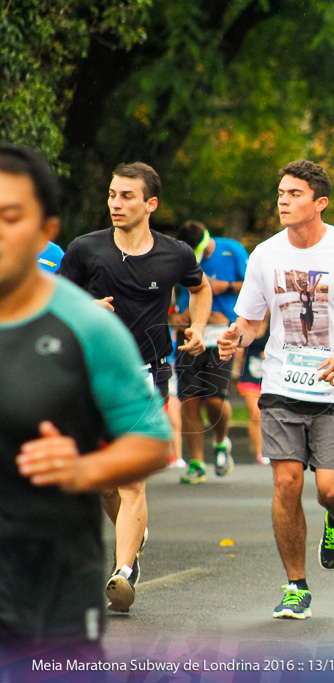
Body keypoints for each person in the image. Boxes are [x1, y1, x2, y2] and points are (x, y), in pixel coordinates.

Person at [0, 144, 170, 655]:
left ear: (46, 231)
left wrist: (83, 470)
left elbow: (152, 441)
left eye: (10, 216)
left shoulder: (88, 326)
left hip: (49, 585)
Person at [217, 160, 334, 619]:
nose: (283, 200)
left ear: (320, 203)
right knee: (286, 483)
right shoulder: (265, 255)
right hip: (281, 383)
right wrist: (235, 336)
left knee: (332, 490)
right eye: (280, 192)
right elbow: (253, 320)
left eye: (294, 193)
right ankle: (295, 585)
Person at [57, 162, 212, 613]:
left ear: (151, 204)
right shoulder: (85, 249)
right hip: (91, 375)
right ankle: (135, 532)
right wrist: (87, 307)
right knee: (106, 482)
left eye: (126, 196)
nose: (116, 203)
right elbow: (54, 301)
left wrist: (198, 327)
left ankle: (122, 572)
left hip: (148, 374)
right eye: (112, 194)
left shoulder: (175, 254)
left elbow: (198, 289)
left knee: (131, 481)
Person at [173, 220, 249, 483]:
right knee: (190, 401)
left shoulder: (232, 249)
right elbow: (168, 287)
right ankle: (195, 463)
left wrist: (224, 287)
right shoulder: (180, 253)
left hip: (220, 335)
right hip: (189, 335)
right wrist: (174, 314)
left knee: (215, 400)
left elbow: (252, 286)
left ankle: (220, 442)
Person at [237, 317, 271, 465]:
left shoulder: (274, 325)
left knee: (267, 414)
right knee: (256, 413)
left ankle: (269, 448)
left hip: (269, 378)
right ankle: (259, 452)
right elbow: (239, 347)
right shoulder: (248, 326)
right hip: (249, 376)